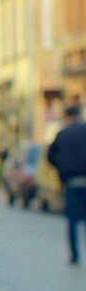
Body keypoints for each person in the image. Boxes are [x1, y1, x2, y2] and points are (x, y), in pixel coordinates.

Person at [48, 105, 86, 265]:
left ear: (68, 117)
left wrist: (61, 166)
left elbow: (50, 155)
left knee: (72, 221)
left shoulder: (62, 134)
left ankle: (75, 254)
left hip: (70, 182)